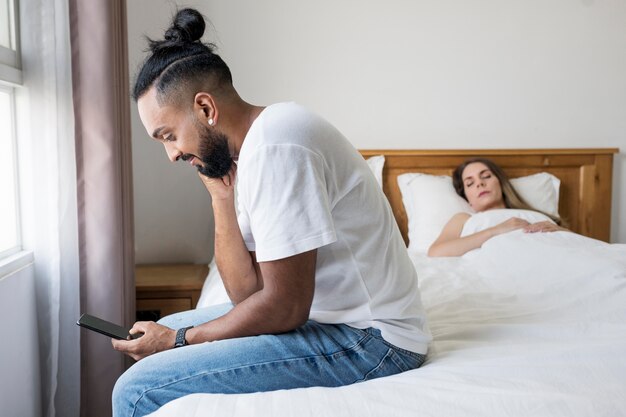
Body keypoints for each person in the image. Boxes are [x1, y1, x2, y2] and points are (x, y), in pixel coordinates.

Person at [111, 8, 430, 416]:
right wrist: (221, 200)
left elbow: (284, 307)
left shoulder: (278, 146)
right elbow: (247, 294)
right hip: (330, 320)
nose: (172, 154)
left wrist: (178, 341)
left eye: (169, 135)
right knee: (171, 328)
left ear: (206, 109)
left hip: (374, 341)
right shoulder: (250, 153)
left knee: (137, 391)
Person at [428, 158, 567, 257]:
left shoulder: (532, 214)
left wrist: (561, 231)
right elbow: (436, 252)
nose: (480, 183)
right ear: (467, 198)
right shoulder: (464, 218)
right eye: (470, 183)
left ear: (500, 183)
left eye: (486, 176)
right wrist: (497, 230)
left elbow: (573, 242)